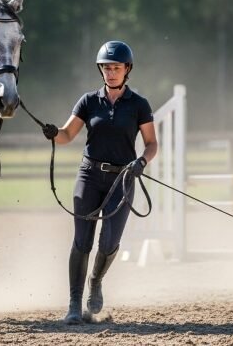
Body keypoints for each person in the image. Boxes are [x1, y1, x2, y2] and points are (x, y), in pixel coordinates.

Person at [42, 40, 158, 324]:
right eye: (106, 68)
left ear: (127, 69)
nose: (111, 73)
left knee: (109, 243)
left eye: (116, 67)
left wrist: (141, 162)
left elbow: (152, 144)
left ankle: (96, 280)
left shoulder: (139, 105)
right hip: (89, 176)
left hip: (122, 179)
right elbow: (67, 135)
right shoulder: (88, 101)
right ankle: (73, 304)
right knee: (82, 241)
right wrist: (52, 132)